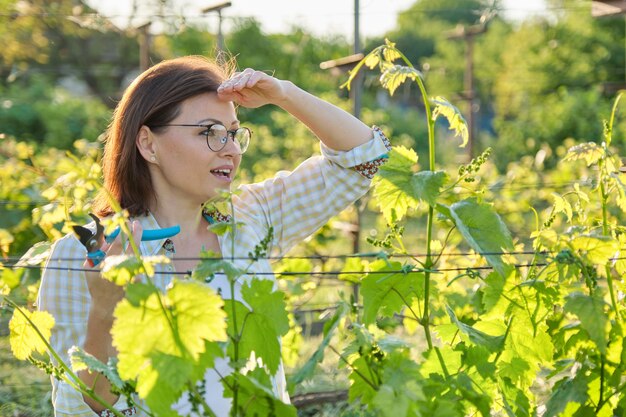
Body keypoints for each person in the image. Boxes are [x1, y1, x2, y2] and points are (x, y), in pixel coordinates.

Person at [37, 55, 391, 417]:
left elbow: (365, 157)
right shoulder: (87, 253)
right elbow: (77, 409)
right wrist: (105, 309)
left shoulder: (251, 218)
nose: (232, 149)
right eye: (209, 132)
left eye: (234, 133)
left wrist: (285, 94)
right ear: (148, 143)